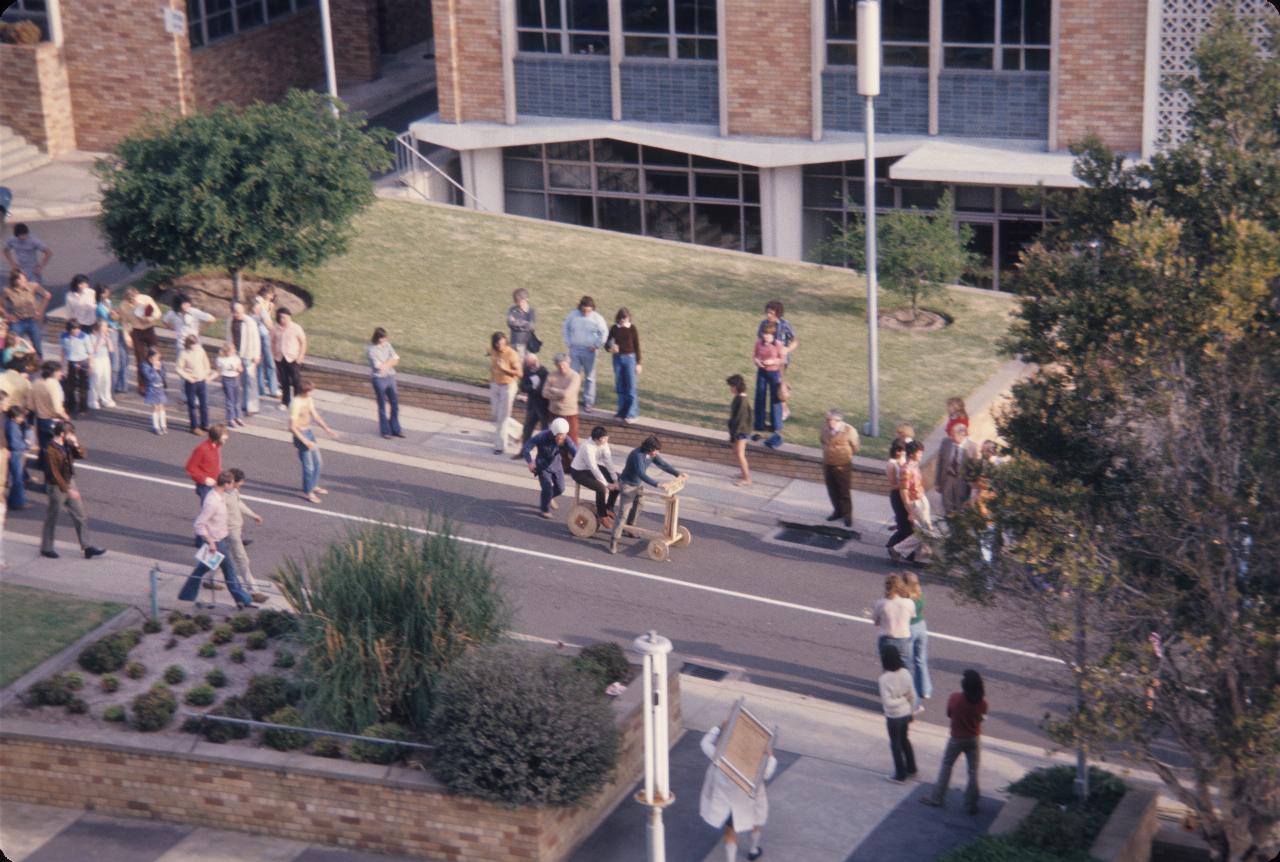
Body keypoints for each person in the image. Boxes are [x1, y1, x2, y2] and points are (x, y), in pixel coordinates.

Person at [175, 470, 256, 610]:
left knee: (202, 571)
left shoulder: (220, 495)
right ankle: (244, 600)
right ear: (226, 484)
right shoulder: (212, 502)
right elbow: (199, 524)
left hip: (220, 541)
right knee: (228, 572)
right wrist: (211, 542)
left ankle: (186, 595)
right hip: (216, 544)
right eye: (231, 484)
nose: (233, 486)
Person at [699, 719, 777, 862]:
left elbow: (704, 743)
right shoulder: (755, 758)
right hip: (751, 798)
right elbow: (767, 773)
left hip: (728, 800)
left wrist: (717, 727)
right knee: (755, 823)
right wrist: (770, 756)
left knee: (730, 832)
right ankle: (753, 850)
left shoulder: (721, 755)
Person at [921, 670, 988, 814]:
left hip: (956, 738)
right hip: (974, 738)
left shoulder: (955, 698)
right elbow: (981, 719)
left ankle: (937, 797)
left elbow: (949, 714)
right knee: (973, 771)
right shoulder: (983, 704)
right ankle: (971, 802)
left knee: (947, 765)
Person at [39, 421, 106, 560]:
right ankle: (46, 547)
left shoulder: (67, 445)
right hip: (57, 487)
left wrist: (76, 444)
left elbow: (82, 455)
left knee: (80, 514)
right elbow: (54, 473)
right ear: (62, 434)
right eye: (70, 433)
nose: (72, 435)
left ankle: (86, 546)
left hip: (69, 482)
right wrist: (69, 490)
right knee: (53, 516)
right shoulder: (51, 450)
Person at [610, 435, 684, 554]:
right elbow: (641, 474)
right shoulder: (637, 455)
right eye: (656, 450)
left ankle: (629, 529)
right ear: (649, 448)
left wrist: (678, 474)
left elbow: (663, 464)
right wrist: (657, 484)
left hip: (637, 485)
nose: (657, 452)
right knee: (623, 513)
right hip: (627, 485)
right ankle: (614, 540)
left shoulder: (651, 454)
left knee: (639, 504)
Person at [289, 379, 339, 504]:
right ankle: (308, 492)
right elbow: (292, 427)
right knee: (309, 466)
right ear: (305, 391)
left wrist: (327, 429)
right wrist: (305, 441)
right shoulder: (296, 403)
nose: (313, 393)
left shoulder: (308, 400)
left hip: (309, 432)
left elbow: (315, 416)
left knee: (318, 462)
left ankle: (313, 485)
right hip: (301, 435)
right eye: (311, 391)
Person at [224, 467, 268, 605]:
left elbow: (239, 504)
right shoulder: (221, 496)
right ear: (233, 482)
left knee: (220, 558)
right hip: (230, 531)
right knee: (242, 560)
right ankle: (254, 591)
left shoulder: (234, 491)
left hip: (235, 529)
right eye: (240, 482)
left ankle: (208, 579)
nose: (241, 484)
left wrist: (253, 515)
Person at [521, 416, 577, 519]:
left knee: (561, 488)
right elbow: (526, 448)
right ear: (554, 433)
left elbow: (575, 452)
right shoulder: (541, 436)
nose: (563, 437)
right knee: (547, 487)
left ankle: (548, 497)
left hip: (557, 464)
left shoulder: (565, 439)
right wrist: (530, 462)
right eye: (561, 435)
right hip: (542, 465)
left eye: (565, 435)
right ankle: (544, 509)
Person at [878, 644, 917, 783]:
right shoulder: (906, 673)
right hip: (906, 713)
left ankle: (900, 774)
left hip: (893, 717)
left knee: (895, 744)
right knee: (905, 740)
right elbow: (912, 695)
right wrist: (911, 709)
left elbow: (888, 703)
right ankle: (911, 768)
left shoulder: (884, 679)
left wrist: (900, 700)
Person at [561, 295, 608, 413]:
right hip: (575, 350)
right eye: (584, 310)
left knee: (590, 377)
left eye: (589, 310)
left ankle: (588, 402)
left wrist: (596, 345)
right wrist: (568, 342)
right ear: (580, 308)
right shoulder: (573, 315)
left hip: (589, 351)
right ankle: (572, 399)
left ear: (592, 308)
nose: (586, 312)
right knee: (573, 375)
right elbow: (565, 328)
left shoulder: (597, 318)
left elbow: (604, 333)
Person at [569, 425, 618, 526]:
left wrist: (615, 479)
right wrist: (606, 484)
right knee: (601, 488)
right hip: (579, 471)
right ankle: (602, 515)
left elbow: (608, 461)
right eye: (605, 438)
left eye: (606, 437)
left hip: (593, 468)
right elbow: (594, 468)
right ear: (598, 439)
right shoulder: (587, 447)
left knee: (618, 481)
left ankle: (609, 507)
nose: (607, 439)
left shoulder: (604, 443)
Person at [757, 300, 796, 423]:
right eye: (768, 312)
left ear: (778, 314)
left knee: (778, 384)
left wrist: (787, 349)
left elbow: (795, 341)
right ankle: (776, 410)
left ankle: (783, 409)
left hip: (780, 361)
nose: (768, 315)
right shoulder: (763, 324)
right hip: (765, 360)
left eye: (771, 313)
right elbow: (759, 341)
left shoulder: (785, 325)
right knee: (767, 386)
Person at [820, 409, 859, 527]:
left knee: (844, 491)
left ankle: (847, 515)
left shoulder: (849, 430)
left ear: (837, 420)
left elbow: (855, 446)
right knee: (832, 490)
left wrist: (844, 455)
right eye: (826, 420)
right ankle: (837, 511)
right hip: (828, 464)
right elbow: (822, 441)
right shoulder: (825, 429)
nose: (827, 422)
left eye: (829, 420)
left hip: (843, 465)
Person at [895, 441, 932, 561]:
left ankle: (919, 558)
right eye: (919, 452)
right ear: (911, 454)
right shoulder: (905, 470)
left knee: (925, 530)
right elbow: (904, 492)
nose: (921, 455)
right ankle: (897, 549)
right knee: (924, 532)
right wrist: (910, 511)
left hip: (922, 499)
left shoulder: (915, 466)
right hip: (916, 502)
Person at [751, 323, 786, 449]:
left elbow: (782, 359)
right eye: (764, 334)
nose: (766, 337)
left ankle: (776, 425)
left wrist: (772, 361)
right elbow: (754, 355)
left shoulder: (778, 344)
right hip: (762, 371)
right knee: (760, 396)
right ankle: (759, 424)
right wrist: (757, 361)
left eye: (768, 334)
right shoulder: (758, 343)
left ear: (773, 334)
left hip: (773, 372)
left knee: (774, 399)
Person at [31, 360, 68, 476]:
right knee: (55, 448)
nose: (61, 373)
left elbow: (31, 404)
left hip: (40, 418)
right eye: (59, 371)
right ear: (53, 372)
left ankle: (41, 463)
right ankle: (51, 472)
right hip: (53, 420)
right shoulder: (54, 385)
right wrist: (66, 416)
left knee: (43, 445)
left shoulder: (36, 382)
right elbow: (57, 408)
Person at [872, 574, 915, 672]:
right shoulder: (909, 603)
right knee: (904, 666)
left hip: (887, 638)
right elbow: (911, 619)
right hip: (903, 638)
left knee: (888, 667)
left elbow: (876, 622)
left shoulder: (881, 603)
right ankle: (904, 685)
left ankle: (889, 686)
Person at [120, 286, 159, 392]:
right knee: (140, 358)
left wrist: (150, 318)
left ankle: (158, 381)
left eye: (133, 298)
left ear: (137, 295)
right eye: (130, 300)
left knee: (154, 355)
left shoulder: (146, 299)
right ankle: (142, 385)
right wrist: (126, 335)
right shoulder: (123, 306)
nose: (132, 301)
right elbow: (124, 322)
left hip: (149, 329)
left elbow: (157, 313)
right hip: (137, 332)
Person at [488, 331, 522, 454]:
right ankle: (520, 432)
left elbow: (519, 373)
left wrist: (504, 368)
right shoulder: (493, 350)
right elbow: (490, 353)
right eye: (497, 344)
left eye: (502, 344)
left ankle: (500, 446)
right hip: (495, 385)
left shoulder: (512, 354)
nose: (500, 347)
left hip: (508, 386)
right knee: (496, 415)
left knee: (502, 418)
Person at [225, 302, 261, 417]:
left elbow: (256, 339)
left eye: (240, 312)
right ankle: (244, 404)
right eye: (236, 312)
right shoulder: (230, 321)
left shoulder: (249, 322)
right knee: (241, 381)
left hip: (249, 354)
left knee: (250, 381)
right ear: (232, 312)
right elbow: (228, 337)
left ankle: (252, 407)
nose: (239, 314)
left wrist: (257, 354)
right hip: (236, 354)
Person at [2, 270, 50, 357]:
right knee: (12, 343)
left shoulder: (33, 286)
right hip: (18, 321)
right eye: (23, 279)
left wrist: (40, 312)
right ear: (16, 280)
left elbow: (47, 295)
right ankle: (11, 362)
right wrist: (7, 315)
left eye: (25, 279)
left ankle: (39, 363)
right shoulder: (8, 291)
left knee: (36, 342)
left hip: (31, 320)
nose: (25, 281)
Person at [936, 421, 979, 517]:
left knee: (961, 507)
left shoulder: (972, 447)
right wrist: (937, 483)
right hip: (947, 479)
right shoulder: (945, 442)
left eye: (953, 435)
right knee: (947, 505)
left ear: (962, 434)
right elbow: (940, 463)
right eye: (950, 435)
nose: (950, 437)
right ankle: (950, 522)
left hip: (962, 482)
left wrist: (973, 486)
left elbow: (974, 469)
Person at [367, 327, 403, 439]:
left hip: (390, 377)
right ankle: (385, 431)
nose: (385, 340)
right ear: (378, 338)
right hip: (379, 379)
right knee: (382, 405)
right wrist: (390, 362)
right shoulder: (372, 350)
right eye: (383, 338)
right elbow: (378, 367)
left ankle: (395, 429)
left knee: (395, 404)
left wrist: (387, 364)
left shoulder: (387, 345)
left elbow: (396, 359)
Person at [903, 571, 932, 709]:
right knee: (921, 659)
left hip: (910, 629)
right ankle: (925, 690)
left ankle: (912, 691)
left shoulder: (906, 598)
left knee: (908, 663)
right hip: (922, 626)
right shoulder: (921, 595)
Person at [607, 308, 641, 423]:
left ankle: (632, 413)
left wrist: (638, 363)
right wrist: (611, 348)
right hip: (617, 358)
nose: (623, 321)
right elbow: (607, 343)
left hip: (630, 358)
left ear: (628, 318)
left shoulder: (632, 328)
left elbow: (637, 346)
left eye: (625, 318)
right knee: (620, 386)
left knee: (630, 386)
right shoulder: (614, 328)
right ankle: (621, 411)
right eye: (621, 318)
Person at [95, 284, 128, 394]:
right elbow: (107, 319)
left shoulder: (108, 302)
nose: (107, 294)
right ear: (100, 294)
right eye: (104, 292)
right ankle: (110, 389)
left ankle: (121, 385)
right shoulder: (99, 306)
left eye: (107, 292)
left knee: (123, 359)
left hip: (118, 330)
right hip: (111, 333)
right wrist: (116, 317)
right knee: (114, 361)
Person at [176, 334, 214, 433]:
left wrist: (206, 373)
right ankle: (194, 426)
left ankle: (205, 424)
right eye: (193, 344)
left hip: (201, 381)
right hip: (191, 383)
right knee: (192, 405)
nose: (195, 346)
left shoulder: (200, 350)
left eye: (196, 343)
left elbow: (206, 363)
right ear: (188, 344)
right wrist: (188, 377)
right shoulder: (184, 354)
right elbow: (179, 369)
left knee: (204, 404)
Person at [543, 352, 582, 445]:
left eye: (564, 365)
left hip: (569, 414)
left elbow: (567, 395)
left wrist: (553, 390)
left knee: (571, 440)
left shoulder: (575, 376)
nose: (562, 368)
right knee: (553, 439)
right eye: (559, 365)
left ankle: (571, 459)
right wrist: (559, 396)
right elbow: (544, 393)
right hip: (553, 412)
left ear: (568, 364)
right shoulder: (552, 374)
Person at [271, 307, 306, 408]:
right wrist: (274, 354)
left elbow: (303, 342)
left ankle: (297, 402)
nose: (283, 319)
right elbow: (272, 341)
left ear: (289, 317)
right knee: (284, 381)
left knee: (296, 380)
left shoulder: (296, 328)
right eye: (281, 317)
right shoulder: (275, 328)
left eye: (285, 317)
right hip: (280, 358)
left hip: (293, 358)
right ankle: (285, 402)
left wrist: (300, 356)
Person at [185, 425, 227, 506]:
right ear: (217, 437)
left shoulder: (217, 446)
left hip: (216, 483)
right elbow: (190, 467)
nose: (227, 437)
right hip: (205, 486)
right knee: (208, 511)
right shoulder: (202, 449)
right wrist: (204, 479)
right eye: (224, 435)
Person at [252, 285, 280, 399]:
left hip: (265, 333)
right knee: (261, 362)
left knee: (269, 362)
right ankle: (261, 389)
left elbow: (268, 318)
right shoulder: (258, 303)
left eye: (272, 294)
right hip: (259, 334)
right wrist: (274, 332)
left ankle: (272, 388)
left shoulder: (270, 305)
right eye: (270, 293)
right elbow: (264, 318)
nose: (272, 296)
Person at [518, 352, 550, 449]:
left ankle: (544, 452)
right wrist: (533, 388)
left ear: (535, 361)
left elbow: (543, 389)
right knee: (527, 429)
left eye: (529, 363)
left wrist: (532, 389)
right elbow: (522, 386)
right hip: (532, 405)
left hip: (543, 406)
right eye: (527, 363)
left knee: (545, 430)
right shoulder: (526, 370)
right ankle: (524, 450)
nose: (528, 366)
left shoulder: (544, 372)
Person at [59, 320, 91, 417]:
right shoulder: (64, 337)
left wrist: (90, 365)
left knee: (83, 387)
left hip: (83, 362)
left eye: (78, 328)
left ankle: (83, 407)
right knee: (70, 386)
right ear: (69, 329)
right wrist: (62, 366)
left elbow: (90, 352)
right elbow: (63, 351)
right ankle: (71, 405)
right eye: (74, 329)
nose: (77, 331)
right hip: (71, 362)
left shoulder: (84, 336)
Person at [726, 374, 752, 487]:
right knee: (737, 453)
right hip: (738, 431)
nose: (730, 388)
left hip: (741, 432)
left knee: (740, 454)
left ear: (736, 386)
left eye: (731, 386)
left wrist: (734, 435)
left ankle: (747, 479)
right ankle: (743, 473)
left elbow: (740, 420)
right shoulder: (739, 398)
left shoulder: (742, 400)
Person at [86, 320, 117, 409]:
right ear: (98, 327)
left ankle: (106, 399)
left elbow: (111, 349)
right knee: (96, 379)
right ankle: (93, 400)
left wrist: (107, 338)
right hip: (96, 359)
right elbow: (94, 350)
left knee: (106, 379)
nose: (106, 328)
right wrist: (100, 338)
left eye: (106, 326)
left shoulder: (106, 336)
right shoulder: (91, 337)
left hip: (105, 359)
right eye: (104, 326)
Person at [216, 343, 244, 427]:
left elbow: (241, 369)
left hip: (235, 379)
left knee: (237, 400)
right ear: (227, 352)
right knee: (230, 400)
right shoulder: (221, 359)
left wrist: (239, 369)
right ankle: (230, 418)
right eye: (232, 351)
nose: (234, 352)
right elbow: (219, 371)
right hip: (226, 379)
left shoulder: (236, 358)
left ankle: (238, 417)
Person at [141, 348, 169, 435]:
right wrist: (154, 368)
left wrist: (160, 369)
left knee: (162, 406)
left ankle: (163, 425)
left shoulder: (160, 364)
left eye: (158, 358)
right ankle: (156, 426)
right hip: (151, 389)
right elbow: (149, 377)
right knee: (155, 407)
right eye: (156, 358)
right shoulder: (145, 365)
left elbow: (163, 376)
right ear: (150, 358)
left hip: (159, 388)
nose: (158, 360)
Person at [5, 405, 27, 509]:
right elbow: (14, 443)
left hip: (12, 453)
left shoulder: (9, 424)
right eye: (20, 417)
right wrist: (25, 445)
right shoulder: (13, 427)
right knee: (18, 478)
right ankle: (17, 502)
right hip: (15, 454)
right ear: (14, 417)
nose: (22, 419)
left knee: (15, 477)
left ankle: (15, 500)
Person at [506, 288, 536, 358]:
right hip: (513, 341)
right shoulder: (512, 309)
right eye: (517, 302)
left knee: (523, 363)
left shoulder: (531, 311)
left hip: (525, 342)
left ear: (526, 299)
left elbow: (530, 326)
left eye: (522, 302)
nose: (519, 304)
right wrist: (523, 324)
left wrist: (516, 323)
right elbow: (509, 323)